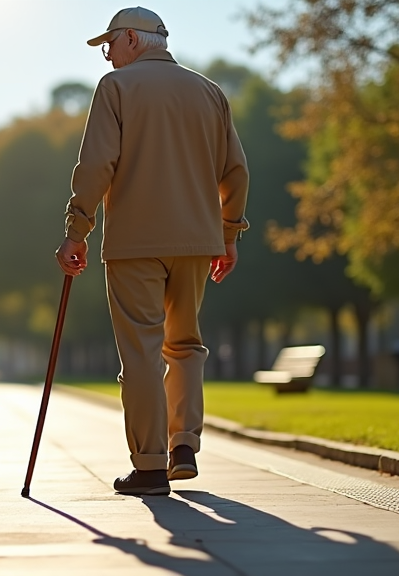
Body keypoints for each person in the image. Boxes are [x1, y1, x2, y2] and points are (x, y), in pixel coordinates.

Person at [56, 7, 249, 496]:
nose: (107, 57)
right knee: (185, 343)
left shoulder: (116, 89)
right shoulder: (210, 93)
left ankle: (149, 466)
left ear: (133, 41)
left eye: (110, 46)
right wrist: (229, 234)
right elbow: (236, 172)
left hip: (134, 244)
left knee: (141, 351)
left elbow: (97, 163)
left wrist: (77, 229)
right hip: (197, 243)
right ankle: (183, 444)